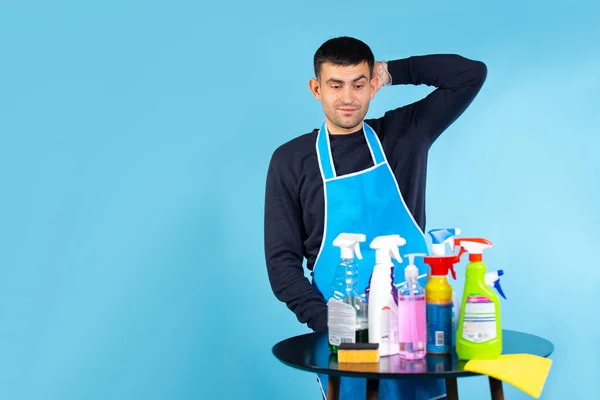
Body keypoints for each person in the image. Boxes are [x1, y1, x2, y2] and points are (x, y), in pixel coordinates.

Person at [264, 36, 487, 400]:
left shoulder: (405, 134)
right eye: (335, 85)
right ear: (316, 88)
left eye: (359, 84)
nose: (348, 97)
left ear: (372, 85)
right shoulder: (291, 161)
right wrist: (330, 325)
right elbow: (281, 262)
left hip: (420, 329)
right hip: (348, 340)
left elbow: (470, 74)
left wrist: (392, 71)